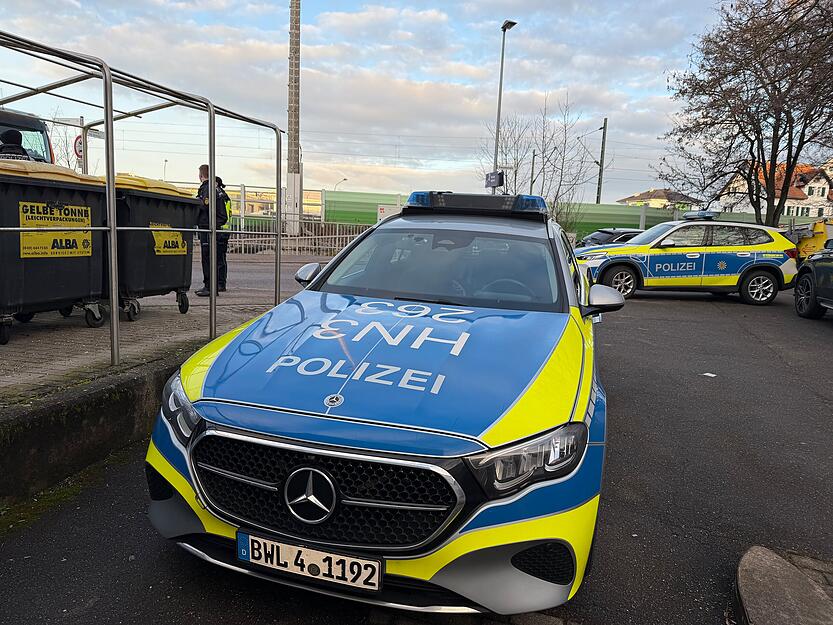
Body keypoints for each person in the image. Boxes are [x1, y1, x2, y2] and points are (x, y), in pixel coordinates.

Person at [195, 164, 229, 296]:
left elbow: (204, 206)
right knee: (214, 258)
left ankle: (210, 287)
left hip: (208, 228)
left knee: (208, 258)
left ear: (201, 176)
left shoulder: (207, 189)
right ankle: (212, 285)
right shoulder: (215, 189)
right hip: (214, 227)